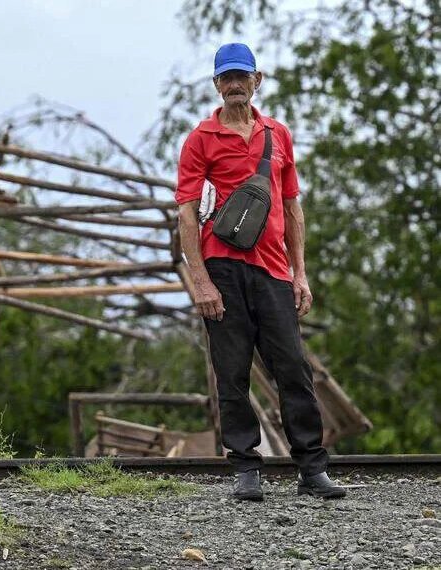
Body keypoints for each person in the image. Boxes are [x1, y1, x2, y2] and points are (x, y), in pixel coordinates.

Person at [175, 43, 346, 501]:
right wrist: (201, 281)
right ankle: (246, 469)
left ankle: (312, 469)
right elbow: (187, 214)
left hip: (273, 269)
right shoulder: (200, 138)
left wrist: (300, 274)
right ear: (216, 84)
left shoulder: (278, 134)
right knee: (231, 373)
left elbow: (292, 207)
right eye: (226, 78)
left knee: (293, 368)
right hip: (222, 269)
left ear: (257, 80)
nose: (234, 85)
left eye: (241, 76)